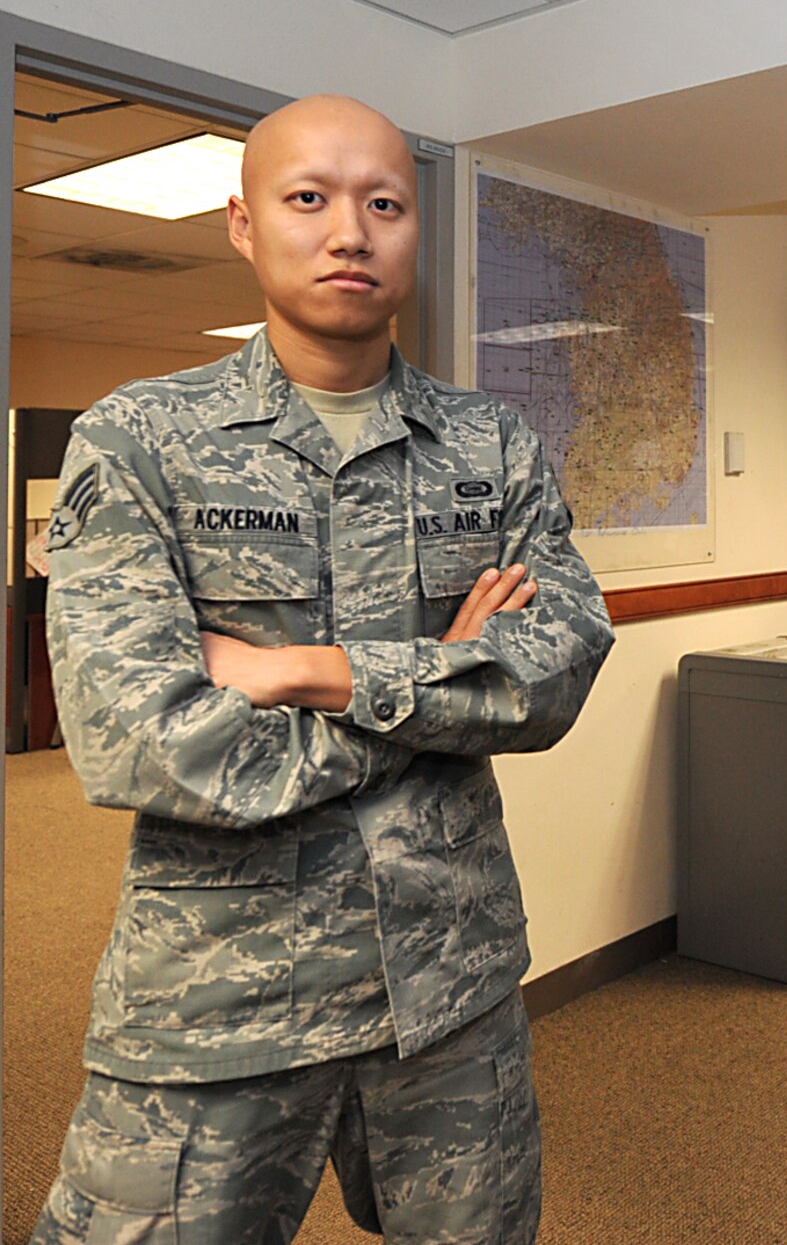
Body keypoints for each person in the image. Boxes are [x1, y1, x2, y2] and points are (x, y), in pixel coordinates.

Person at [33, 94, 613, 1244]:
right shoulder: (136, 438)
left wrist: (300, 669)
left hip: (449, 983)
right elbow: (141, 735)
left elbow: (554, 666)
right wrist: (442, 680)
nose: (350, 230)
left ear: (413, 230)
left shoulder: (491, 443)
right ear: (243, 223)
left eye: (384, 203)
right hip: (218, 1001)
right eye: (310, 198)